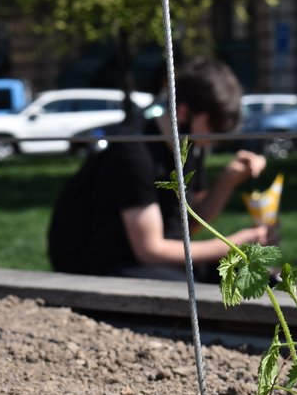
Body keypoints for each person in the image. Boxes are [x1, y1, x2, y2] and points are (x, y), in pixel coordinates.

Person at [47, 57, 275, 280]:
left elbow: (190, 224)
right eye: (213, 126)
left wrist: (228, 180)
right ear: (184, 113)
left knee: (256, 278)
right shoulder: (133, 153)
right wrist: (231, 246)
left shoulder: (191, 144)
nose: (216, 139)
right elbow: (149, 249)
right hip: (104, 267)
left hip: (149, 263)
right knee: (193, 290)